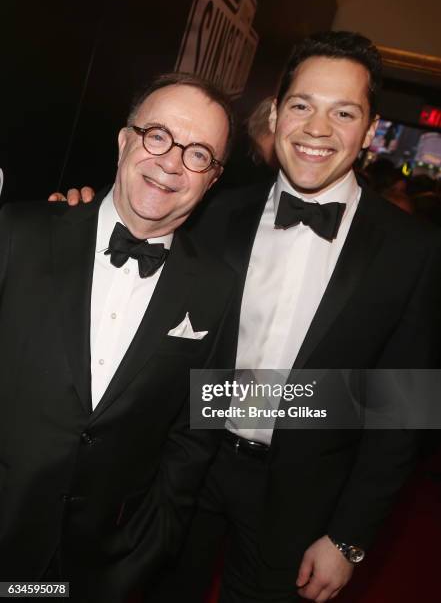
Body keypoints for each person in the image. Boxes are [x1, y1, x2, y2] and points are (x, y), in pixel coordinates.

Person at [51, 32, 441, 603]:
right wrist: (80, 219)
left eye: (344, 112)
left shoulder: (414, 250)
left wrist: (350, 538)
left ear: (370, 127)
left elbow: (402, 408)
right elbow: (135, 241)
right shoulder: (213, 209)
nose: (316, 129)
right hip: (185, 474)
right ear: (278, 112)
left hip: (307, 500)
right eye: (303, 105)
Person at [0, 72, 237, 603]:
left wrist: (151, 544)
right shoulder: (20, 233)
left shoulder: (220, 291)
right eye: (158, 136)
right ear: (125, 138)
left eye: (199, 154)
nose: (172, 162)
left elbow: (195, 433)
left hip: (96, 566)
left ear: (213, 178)